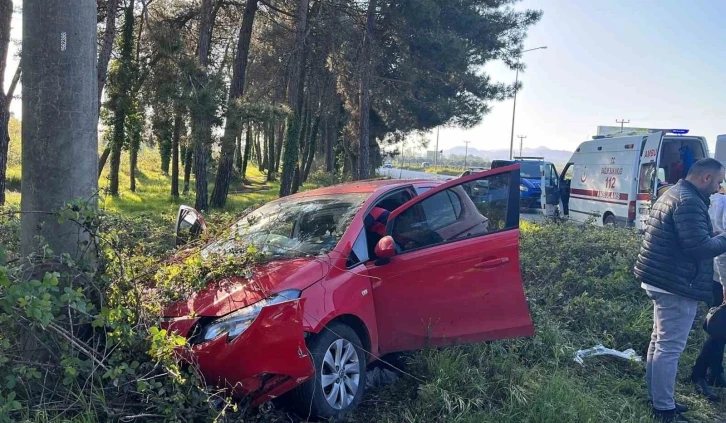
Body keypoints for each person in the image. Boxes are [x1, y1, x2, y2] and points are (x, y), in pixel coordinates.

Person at [634, 158, 726, 422]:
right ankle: (664, 409)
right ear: (706, 178)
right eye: (719, 181)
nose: (720, 188)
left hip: (663, 280)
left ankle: (658, 398)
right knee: (669, 347)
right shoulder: (689, 201)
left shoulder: (675, 193)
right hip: (675, 285)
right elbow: (698, 248)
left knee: (659, 342)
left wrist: (714, 236)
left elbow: (692, 239)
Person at [690, 182, 726, 400]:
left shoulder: (718, 201)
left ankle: (715, 373)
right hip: (720, 278)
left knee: (722, 331)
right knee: (720, 329)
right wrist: (725, 285)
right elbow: (722, 251)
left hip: (717, 276)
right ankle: (698, 374)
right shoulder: (721, 204)